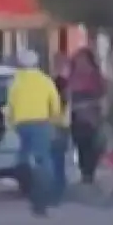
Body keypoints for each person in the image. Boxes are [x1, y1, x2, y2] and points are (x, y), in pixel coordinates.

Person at [8, 50, 63, 216]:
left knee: (23, 157)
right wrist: (56, 122)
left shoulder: (16, 82)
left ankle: (27, 184)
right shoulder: (45, 81)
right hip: (41, 123)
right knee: (44, 161)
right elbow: (55, 103)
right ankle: (44, 196)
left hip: (21, 124)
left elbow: (10, 104)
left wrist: (11, 123)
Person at [66, 47, 107, 184]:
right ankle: (85, 175)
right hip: (76, 117)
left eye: (83, 60)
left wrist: (89, 106)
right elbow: (67, 95)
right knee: (80, 145)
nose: (80, 63)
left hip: (91, 117)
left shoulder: (95, 76)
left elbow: (103, 95)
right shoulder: (72, 76)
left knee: (92, 146)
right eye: (78, 60)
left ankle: (90, 174)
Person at [50, 68, 71, 203]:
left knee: (55, 162)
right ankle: (60, 190)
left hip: (54, 130)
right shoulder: (66, 100)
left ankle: (56, 192)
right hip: (62, 130)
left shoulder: (52, 98)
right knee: (59, 162)